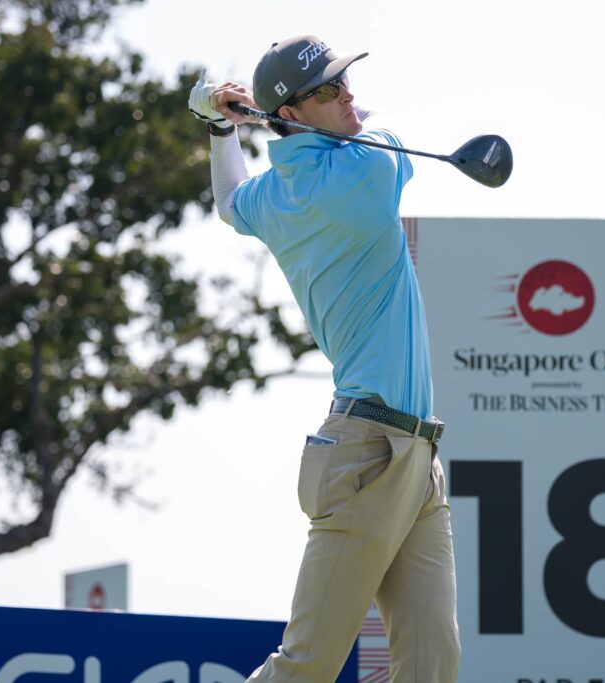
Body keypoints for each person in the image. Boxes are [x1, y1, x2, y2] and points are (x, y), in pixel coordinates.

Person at [187, 36, 460, 683]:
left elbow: (229, 203)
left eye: (346, 82)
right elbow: (382, 138)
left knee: (433, 668)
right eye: (329, 89)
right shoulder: (364, 172)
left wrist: (219, 127)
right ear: (296, 112)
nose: (349, 96)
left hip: (414, 457)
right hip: (367, 452)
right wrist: (241, 119)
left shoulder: (277, 197)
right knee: (307, 666)